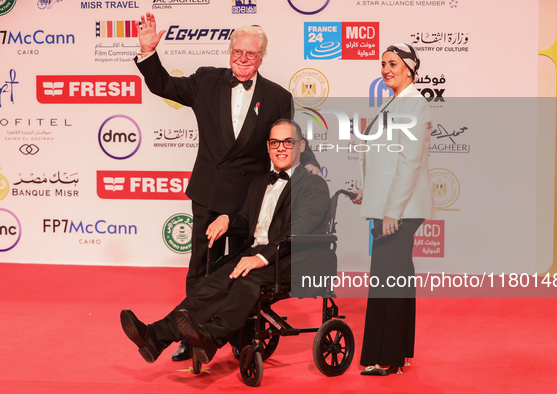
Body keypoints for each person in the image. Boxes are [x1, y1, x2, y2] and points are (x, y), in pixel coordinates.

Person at [133, 12, 320, 361]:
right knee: (201, 265)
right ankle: (188, 336)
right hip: (209, 192)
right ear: (229, 52)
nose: (242, 59)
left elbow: (288, 140)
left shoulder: (277, 96)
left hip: (248, 200)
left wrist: (312, 166)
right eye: (237, 52)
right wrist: (148, 54)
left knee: (241, 268)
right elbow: (165, 86)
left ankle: (237, 335)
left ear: (261, 57)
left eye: (249, 54)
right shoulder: (207, 80)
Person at [120, 119, 330, 371]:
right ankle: (155, 336)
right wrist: (227, 218)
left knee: (246, 280)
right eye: (275, 142)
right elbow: (246, 219)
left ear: (300, 145)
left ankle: (211, 336)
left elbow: (299, 230)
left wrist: (260, 258)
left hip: (295, 258)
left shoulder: (314, 185)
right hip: (256, 253)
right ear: (268, 147)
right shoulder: (260, 183)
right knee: (213, 282)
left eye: (288, 142)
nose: (281, 148)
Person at [351, 43, 434, 376]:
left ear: (410, 68)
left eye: (393, 63)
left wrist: (392, 212)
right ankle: (398, 352)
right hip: (392, 203)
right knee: (397, 276)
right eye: (383, 63)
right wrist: (366, 192)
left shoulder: (413, 103)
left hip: (400, 208)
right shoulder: (399, 101)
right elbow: (387, 158)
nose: (386, 69)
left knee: (385, 277)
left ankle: (383, 358)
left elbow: (410, 161)